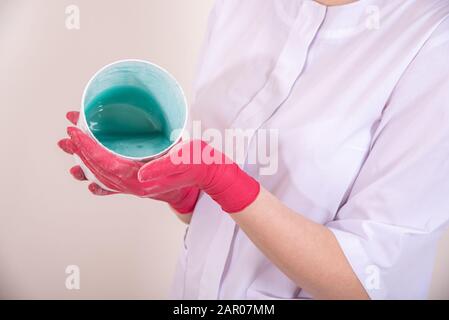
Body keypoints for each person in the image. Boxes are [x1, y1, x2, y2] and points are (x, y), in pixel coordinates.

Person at [58, 0, 449, 299]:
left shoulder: (433, 39)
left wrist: (222, 179)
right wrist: (183, 193)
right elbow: (222, 219)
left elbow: (369, 280)